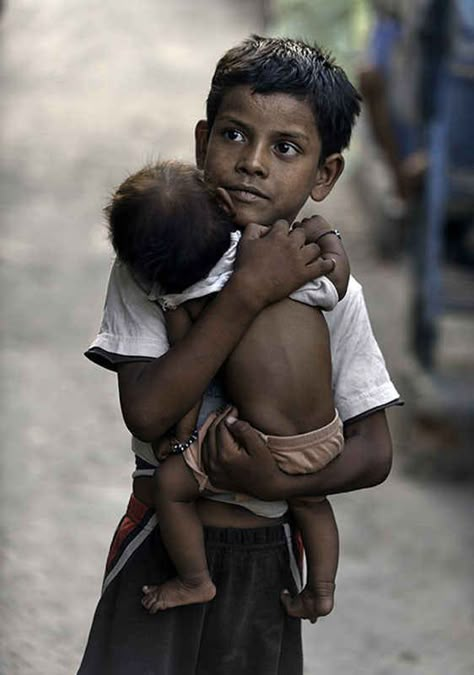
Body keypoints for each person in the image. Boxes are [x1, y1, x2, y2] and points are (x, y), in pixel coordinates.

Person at [78, 35, 400, 675]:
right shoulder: (155, 254)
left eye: (286, 148)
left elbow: (374, 450)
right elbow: (146, 412)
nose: (253, 163)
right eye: (233, 135)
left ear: (325, 175)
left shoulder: (330, 289)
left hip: (270, 557)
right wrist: (245, 294)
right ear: (201, 143)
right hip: (162, 547)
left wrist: (280, 483)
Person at [106, 159, 350, 618]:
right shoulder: (280, 260)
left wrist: (180, 438)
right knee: (311, 501)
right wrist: (329, 236)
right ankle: (321, 588)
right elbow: (335, 282)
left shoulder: (186, 301)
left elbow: (190, 379)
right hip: (325, 437)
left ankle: (195, 581)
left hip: (261, 440)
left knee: (171, 487)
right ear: (221, 203)